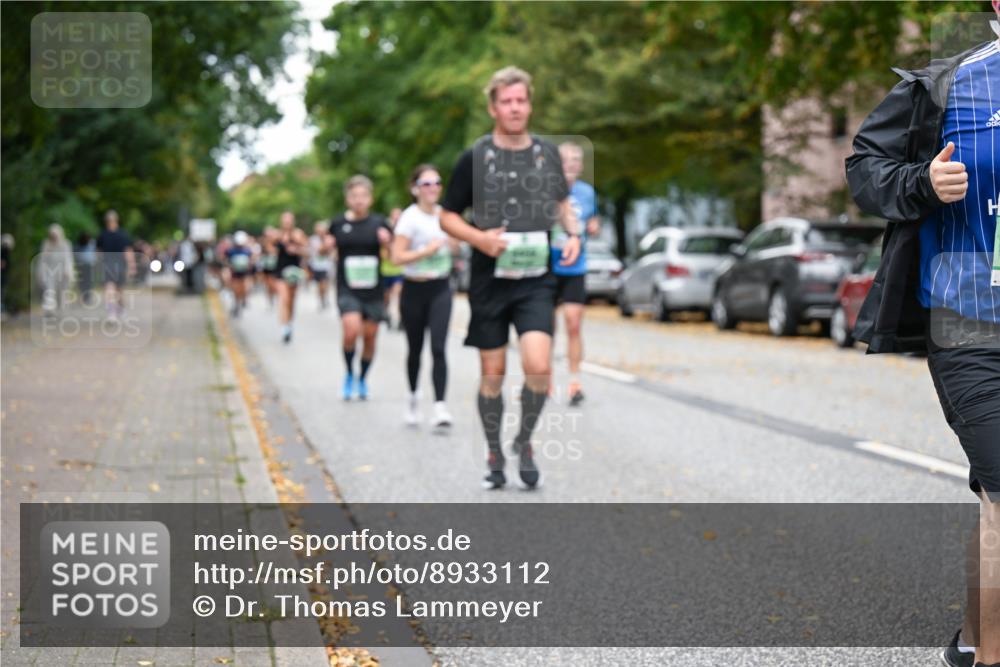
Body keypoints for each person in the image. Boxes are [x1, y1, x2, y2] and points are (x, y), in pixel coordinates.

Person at [845, 8, 999, 666]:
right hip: (970, 323)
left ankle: (970, 639)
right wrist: (923, 183)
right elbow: (863, 168)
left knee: (995, 496)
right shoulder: (947, 87)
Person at [439, 66, 581, 490]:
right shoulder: (476, 158)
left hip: (536, 278)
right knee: (494, 373)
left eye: (521, 100)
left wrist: (572, 234)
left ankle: (524, 440)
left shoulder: (545, 154)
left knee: (538, 367)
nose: (515, 107)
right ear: (493, 107)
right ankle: (494, 451)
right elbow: (447, 216)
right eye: (507, 101)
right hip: (490, 280)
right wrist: (478, 239)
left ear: (529, 104)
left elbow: (561, 203)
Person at [391, 164, 456, 428]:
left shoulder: (445, 215)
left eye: (437, 183)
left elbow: (457, 244)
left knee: (439, 347)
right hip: (414, 289)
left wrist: (454, 243)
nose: (433, 188)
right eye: (427, 183)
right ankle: (413, 398)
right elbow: (397, 257)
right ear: (415, 188)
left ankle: (440, 406)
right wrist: (425, 252)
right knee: (415, 349)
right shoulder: (410, 218)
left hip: (440, 287)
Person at [329, 175, 392, 401]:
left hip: (374, 289)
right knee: (351, 331)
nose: (359, 200)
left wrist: (387, 243)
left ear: (370, 199)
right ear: (347, 199)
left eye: (363, 196)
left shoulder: (379, 224)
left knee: (370, 337)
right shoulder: (337, 224)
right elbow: (323, 252)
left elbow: (393, 256)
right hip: (347, 287)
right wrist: (326, 247)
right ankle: (348, 373)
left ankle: (362, 378)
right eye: (354, 196)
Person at [552, 142, 601, 406]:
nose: (570, 164)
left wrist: (594, 226)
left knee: (573, 323)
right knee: (545, 327)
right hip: (548, 266)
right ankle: (544, 379)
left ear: (580, 166)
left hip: (575, 267)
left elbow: (593, 220)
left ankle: (574, 382)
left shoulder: (587, 193)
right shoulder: (545, 192)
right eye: (564, 160)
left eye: (575, 160)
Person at [274, 212, 308, 343]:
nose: (287, 223)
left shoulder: (298, 234)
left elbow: (307, 251)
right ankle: (284, 327)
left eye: (289, 220)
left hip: (294, 270)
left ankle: (289, 322)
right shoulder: (277, 235)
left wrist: (297, 249)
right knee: (284, 298)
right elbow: (268, 247)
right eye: (285, 220)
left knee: (291, 300)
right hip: (280, 270)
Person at [96, 209, 135, 319]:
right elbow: (99, 252)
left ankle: (121, 308)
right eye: (109, 220)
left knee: (119, 290)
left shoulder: (122, 234)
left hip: (120, 265)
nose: (110, 222)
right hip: (107, 265)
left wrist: (131, 266)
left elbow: (128, 251)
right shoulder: (102, 235)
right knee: (109, 289)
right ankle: (111, 312)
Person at [36, 224, 74, 316]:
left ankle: (61, 308)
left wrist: (68, 270)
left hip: (62, 271)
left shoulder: (66, 244)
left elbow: (68, 258)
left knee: (62, 291)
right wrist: (40, 271)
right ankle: (49, 309)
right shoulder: (46, 244)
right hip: (50, 270)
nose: (54, 236)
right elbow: (42, 259)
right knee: (49, 289)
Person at [382, 207, 405, 329]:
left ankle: (401, 319)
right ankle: (387, 315)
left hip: (399, 271)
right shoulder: (384, 234)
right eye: (394, 217)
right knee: (386, 297)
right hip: (386, 271)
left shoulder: (405, 233)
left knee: (398, 295)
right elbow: (386, 256)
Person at [226, 230, 254, 317]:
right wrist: (231, 265)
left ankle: (243, 300)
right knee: (236, 290)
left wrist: (249, 264)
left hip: (244, 273)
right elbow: (225, 259)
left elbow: (252, 260)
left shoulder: (247, 251)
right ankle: (236, 303)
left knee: (245, 288)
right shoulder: (231, 251)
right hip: (235, 274)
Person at [308, 221, 334, 310]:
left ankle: (325, 297)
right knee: (319, 285)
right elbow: (320, 251)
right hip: (316, 265)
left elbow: (331, 250)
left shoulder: (329, 238)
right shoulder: (313, 239)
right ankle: (321, 299)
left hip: (327, 266)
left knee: (325, 283)